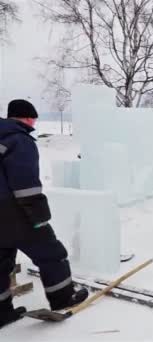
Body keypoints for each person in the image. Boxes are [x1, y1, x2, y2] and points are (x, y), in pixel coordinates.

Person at [0, 100, 88, 328]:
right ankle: (63, 298)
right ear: (27, 117)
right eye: (33, 118)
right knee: (52, 253)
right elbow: (25, 185)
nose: (35, 122)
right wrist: (39, 216)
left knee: (1, 262)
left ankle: (1, 312)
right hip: (15, 212)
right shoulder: (19, 140)